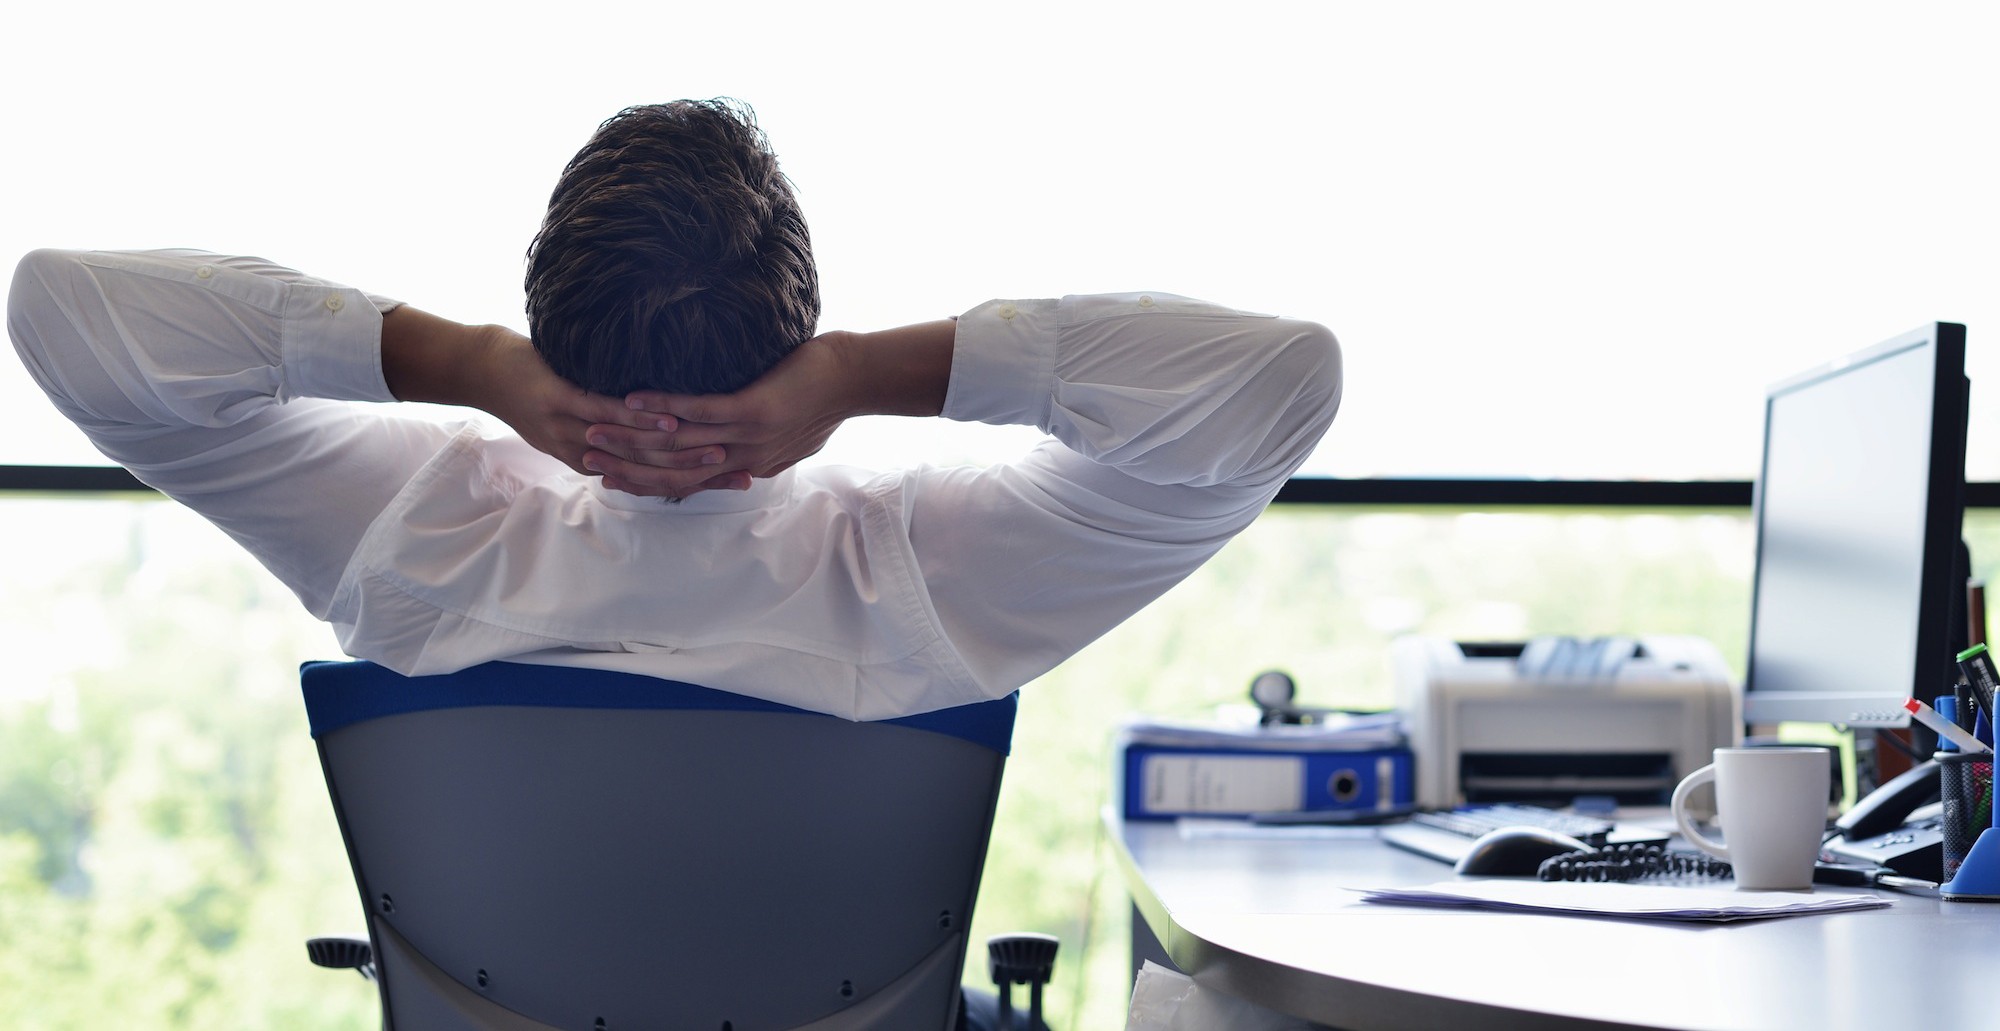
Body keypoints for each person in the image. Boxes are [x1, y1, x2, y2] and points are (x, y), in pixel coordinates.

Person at [8, 99, 1338, 1027]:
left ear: (548, 330)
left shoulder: (417, 540)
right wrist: (863, 375)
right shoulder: (917, 579)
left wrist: (464, 363)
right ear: (793, 334)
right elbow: (1281, 384)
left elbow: (59, 308)